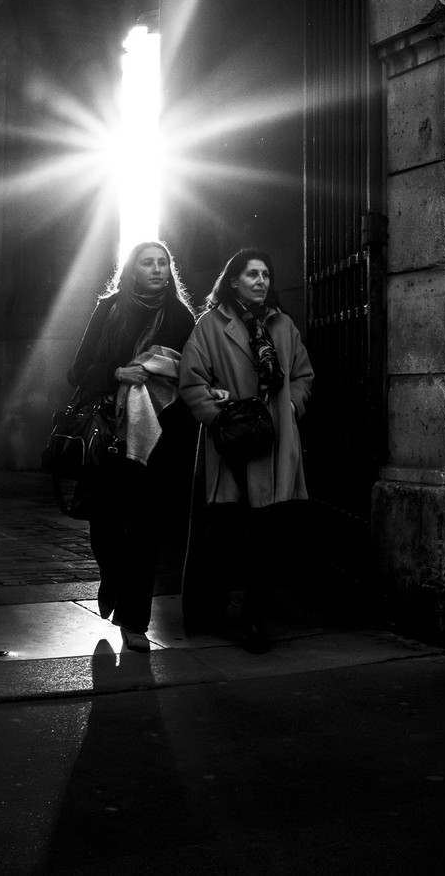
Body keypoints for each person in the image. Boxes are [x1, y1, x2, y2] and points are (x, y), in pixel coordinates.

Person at [178, 248, 314, 654]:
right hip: (233, 440)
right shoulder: (210, 325)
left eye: (266, 274)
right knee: (223, 533)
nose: (261, 281)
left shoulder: (283, 325)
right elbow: (191, 380)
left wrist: (291, 405)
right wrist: (217, 413)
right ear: (233, 280)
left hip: (273, 442)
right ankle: (212, 609)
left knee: (265, 537)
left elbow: (304, 374)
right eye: (252, 274)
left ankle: (255, 619)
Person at [66, 240, 198, 651]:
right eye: (148, 263)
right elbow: (76, 372)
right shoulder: (110, 309)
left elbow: (192, 373)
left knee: (145, 529)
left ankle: (134, 619)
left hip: (160, 438)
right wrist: (117, 372)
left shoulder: (180, 316)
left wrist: (165, 371)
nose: (157, 269)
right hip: (109, 433)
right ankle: (111, 576)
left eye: (163, 263)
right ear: (133, 269)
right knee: (105, 523)